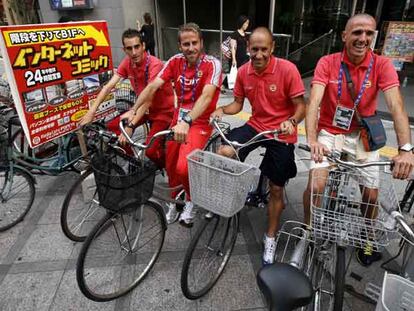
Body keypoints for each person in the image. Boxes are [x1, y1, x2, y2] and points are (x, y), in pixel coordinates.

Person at [303, 13, 414, 267]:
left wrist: (405, 149)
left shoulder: (382, 65)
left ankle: (366, 237)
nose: (362, 38)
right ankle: (308, 230)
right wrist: (312, 140)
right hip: (330, 133)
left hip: (363, 135)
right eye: (356, 33)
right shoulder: (327, 62)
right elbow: (314, 103)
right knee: (316, 187)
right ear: (344, 36)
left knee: (372, 196)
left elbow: (396, 105)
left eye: (368, 33)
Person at [211, 27, 306, 266]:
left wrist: (291, 121)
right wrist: (220, 110)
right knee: (225, 151)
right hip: (256, 125)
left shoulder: (287, 70)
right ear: (248, 49)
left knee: (276, 189)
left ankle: (270, 236)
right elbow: (237, 105)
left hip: (281, 132)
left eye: (264, 49)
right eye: (255, 49)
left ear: (272, 48)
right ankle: (231, 196)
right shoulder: (244, 72)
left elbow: (301, 107)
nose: (259, 54)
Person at [127, 23, 222, 226]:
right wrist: (134, 110)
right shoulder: (174, 61)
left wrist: (188, 121)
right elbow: (153, 86)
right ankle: (176, 200)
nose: (190, 48)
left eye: (194, 43)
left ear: (201, 43)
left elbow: (206, 97)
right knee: (170, 164)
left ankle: (191, 200)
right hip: (178, 121)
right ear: (179, 46)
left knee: (183, 167)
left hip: (199, 122)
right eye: (185, 44)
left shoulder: (212, 64)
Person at [80, 28, 174, 168]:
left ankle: (165, 166)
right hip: (142, 109)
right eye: (129, 48)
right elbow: (108, 86)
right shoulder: (127, 63)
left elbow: (148, 99)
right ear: (124, 50)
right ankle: (135, 162)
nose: (134, 52)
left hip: (162, 111)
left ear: (143, 46)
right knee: (112, 131)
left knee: (151, 151)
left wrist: (130, 126)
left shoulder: (155, 64)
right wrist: (91, 112)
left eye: (137, 47)